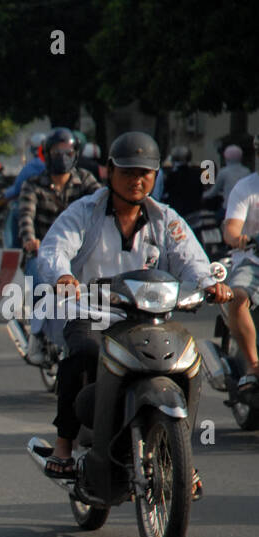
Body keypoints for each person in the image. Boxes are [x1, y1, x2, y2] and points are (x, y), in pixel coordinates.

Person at [36, 131, 229, 493]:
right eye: (128, 172)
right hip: (92, 312)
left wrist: (209, 285)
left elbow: (192, 260)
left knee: (184, 362)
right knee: (82, 354)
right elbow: (54, 248)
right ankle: (63, 447)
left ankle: (181, 456)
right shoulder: (84, 211)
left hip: (147, 318)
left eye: (145, 173)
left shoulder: (164, 218)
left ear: (155, 176)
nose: (137, 180)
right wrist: (62, 275)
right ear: (110, 171)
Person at [17, 127, 101, 362]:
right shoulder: (33, 185)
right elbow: (25, 217)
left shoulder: (86, 181)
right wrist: (30, 240)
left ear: (75, 153)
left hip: (81, 254)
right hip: (43, 253)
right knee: (37, 279)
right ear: (46, 153)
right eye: (56, 151)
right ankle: (38, 335)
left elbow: (103, 208)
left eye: (67, 151)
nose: (62, 156)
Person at [220, 164, 259, 394]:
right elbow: (231, 228)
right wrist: (238, 238)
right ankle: (254, 365)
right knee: (238, 297)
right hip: (251, 262)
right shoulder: (246, 188)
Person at [4, 132, 48, 246]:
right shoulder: (60, 164)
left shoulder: (32, 165)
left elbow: (18, 188)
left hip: (34, 208)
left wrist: (5, 194)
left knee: (14, 214)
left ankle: (15, 252)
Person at [203, 144, 250, 208]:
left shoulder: (223, 172)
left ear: (226, 157)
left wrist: (202, 195)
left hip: (228, 208)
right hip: (244, 207)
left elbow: (214, 192)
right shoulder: (247, 171)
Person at [162, 145, 204, 215]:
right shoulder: (197, 173)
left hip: (177, 211)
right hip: (194, 211)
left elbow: (166, 192)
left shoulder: (173, 175)